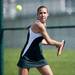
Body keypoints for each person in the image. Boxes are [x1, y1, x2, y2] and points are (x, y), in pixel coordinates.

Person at [17, 5, 65, 75]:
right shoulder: (39, 25)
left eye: (44, 13)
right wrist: (59, 44)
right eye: (40, 13)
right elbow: (49, 41)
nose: (43, 15)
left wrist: (56, 44)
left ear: (47, 14)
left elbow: (42, 41)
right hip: (27, 56)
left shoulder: (42, 24)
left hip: (38, 56)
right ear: (37, 15)